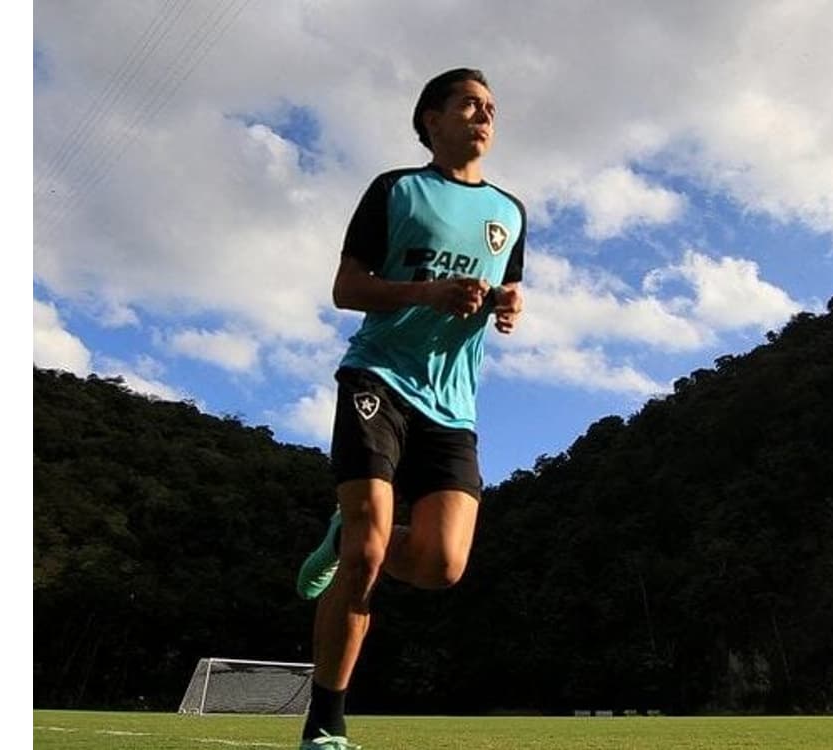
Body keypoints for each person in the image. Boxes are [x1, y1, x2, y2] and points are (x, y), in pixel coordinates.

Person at [294, 67, 525, 749]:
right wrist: (426, 294)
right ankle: (325, 727)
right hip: (379, 378)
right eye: (467, 104)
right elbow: (345, 288)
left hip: (453, 406)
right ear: (431, 119)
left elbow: (506, 290)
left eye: (490, 108)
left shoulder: (510, 211)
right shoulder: (396, 190)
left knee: (441, 566)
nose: (483, 116)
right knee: (370, 552)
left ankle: (341, 536)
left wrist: (509, 305)